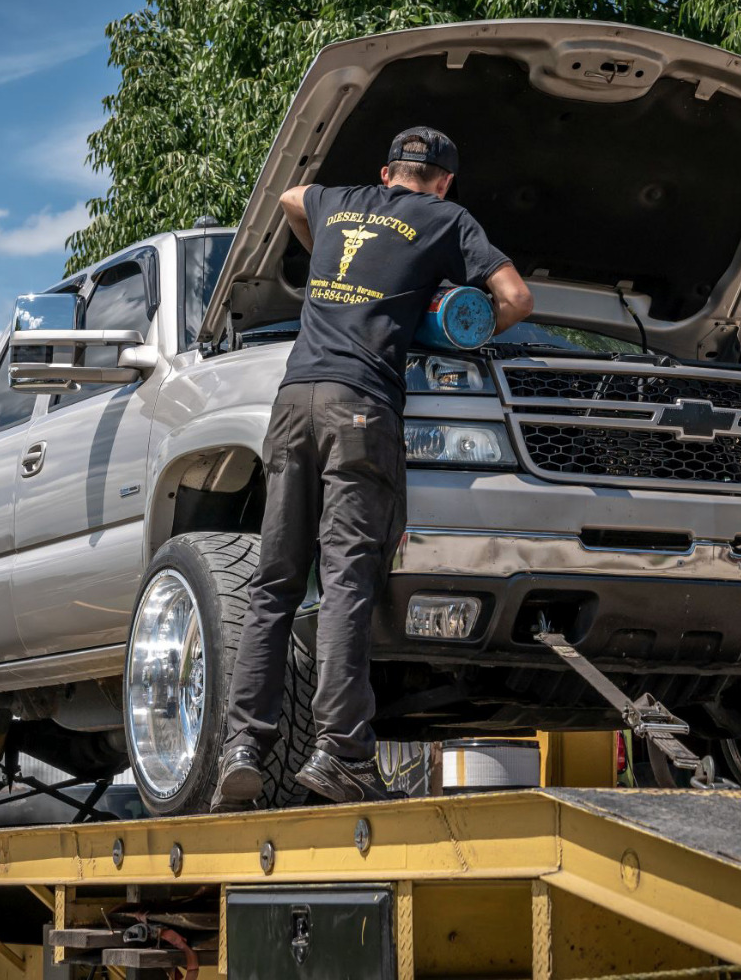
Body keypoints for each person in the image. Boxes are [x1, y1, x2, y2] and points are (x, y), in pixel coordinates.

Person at [213, 127, 534, 810]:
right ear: (443, 181)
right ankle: (342, 753)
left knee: (273, 584)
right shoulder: (447, 218)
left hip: (293, 403)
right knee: (345, 583)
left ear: (387, 171)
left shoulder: (339, 202)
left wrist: (337, 261)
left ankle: (241, 747)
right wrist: (460, 329)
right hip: (361, 408)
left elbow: (292, 197)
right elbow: (516, 298)